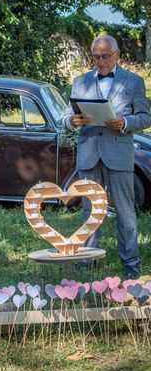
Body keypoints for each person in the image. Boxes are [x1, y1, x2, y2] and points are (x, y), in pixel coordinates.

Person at [65, 34, 151, 278]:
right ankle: (87, 262)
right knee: (89, 211)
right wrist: (73, 120)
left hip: (119, 153)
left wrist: (124, 122)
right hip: (89, 153)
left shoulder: (133, 81)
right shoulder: (80, 81)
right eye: (96, 57)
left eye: (105, 57)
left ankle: (131, 266)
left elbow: (146, 117)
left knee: (125, 212)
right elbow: (65, 117)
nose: (100, 62)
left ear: (117, 55)